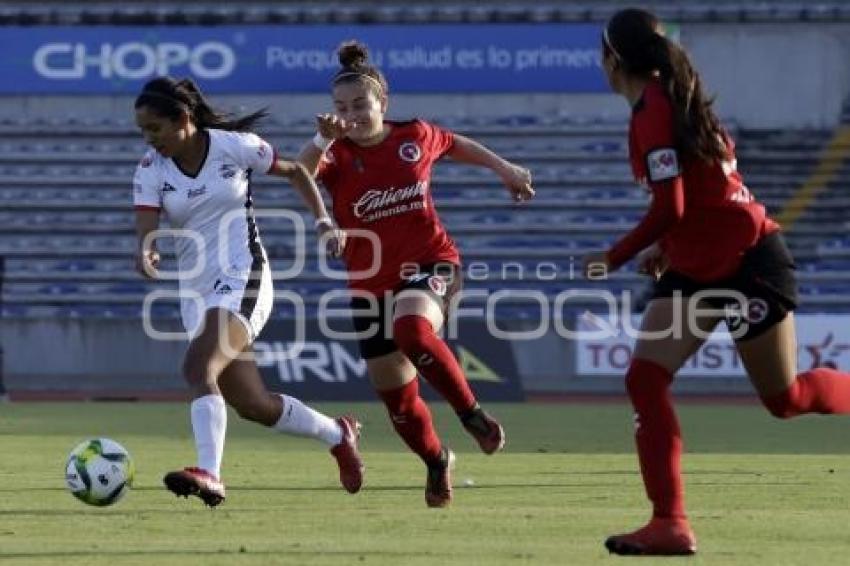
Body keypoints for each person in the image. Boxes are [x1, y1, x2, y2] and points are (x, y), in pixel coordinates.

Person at [583, 8, 850, 555]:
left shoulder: (654, 110)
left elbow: (671, 204)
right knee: (644, 379)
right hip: (696, 266)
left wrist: (615, 255)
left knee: (786, 399)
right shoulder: (666, 101)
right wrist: (667, 247)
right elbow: (699, 197)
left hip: (749, 263)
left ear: (612, 59)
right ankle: (670, 523)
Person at [296, 41, 534, 507]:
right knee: (399, 405)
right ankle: (437, 461)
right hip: (368, 285)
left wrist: (504, 169)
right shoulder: (337, 154)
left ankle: (472, 415)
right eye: (341, 108)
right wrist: (323, 146)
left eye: (361, 104)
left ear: (383, 102)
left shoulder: (416, 136)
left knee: (412, 329)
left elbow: (456, 143)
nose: (351, 115)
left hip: (432, 263)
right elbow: (300, 172)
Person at [132, 76, 364, 507]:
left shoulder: (233, 146)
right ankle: (338, 434)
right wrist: (147, 252)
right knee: (252, 404)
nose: (150, 139)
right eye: (143, 131)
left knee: (197, 368)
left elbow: (296, 170)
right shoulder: (150, 170)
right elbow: (147, 228)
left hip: (244, 275)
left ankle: (210, 474)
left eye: (155, 129)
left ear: (182, 119)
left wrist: (323, 221)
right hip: (196, 291)